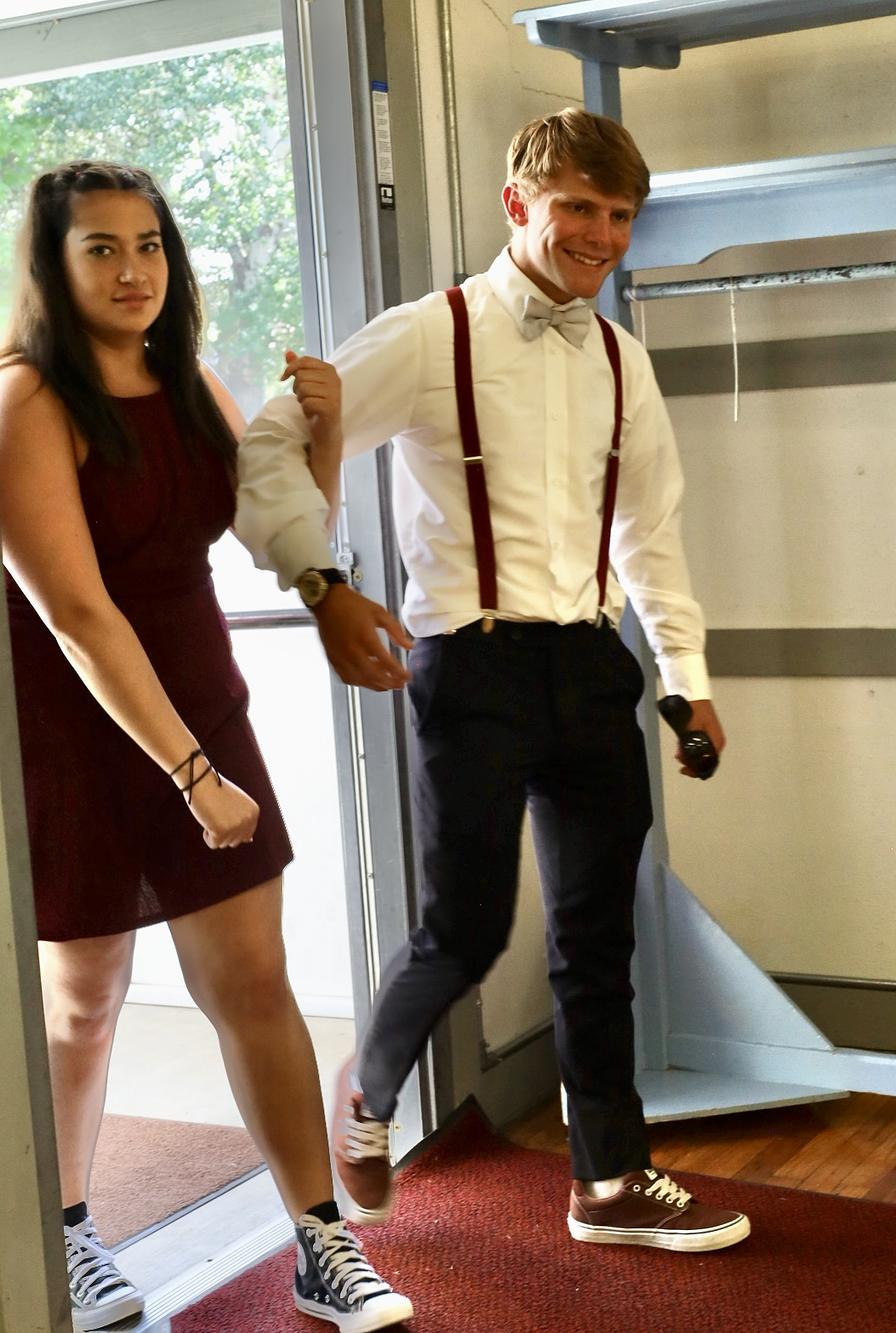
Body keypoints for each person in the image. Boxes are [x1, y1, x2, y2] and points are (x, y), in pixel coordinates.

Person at [237, 109, 751, 1255]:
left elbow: (649, 530)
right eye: (578, 207)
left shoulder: (620, 358)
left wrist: (685, 676)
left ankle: (608, 1180)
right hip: (468, 664)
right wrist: (321, 583)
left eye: (620, 215)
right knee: (465, 932)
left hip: (590, 663)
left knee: (597, 935)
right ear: (519, 203)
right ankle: (369, 1088)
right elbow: (270, 441)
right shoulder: (431, 335)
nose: (600, 235)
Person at [0, 161, 412, 1332]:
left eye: (150, 246)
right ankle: (63, 1232)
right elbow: (77, 614)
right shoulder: (26, 400)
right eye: (100, 248)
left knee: (253, 984)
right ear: (52, 265)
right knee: (85, 996)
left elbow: (269, 529)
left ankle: (320, 1242)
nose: (133, 270)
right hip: (76, 731)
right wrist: (189, 772)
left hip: (203, 704)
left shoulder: (189, 385)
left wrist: (324, 437)